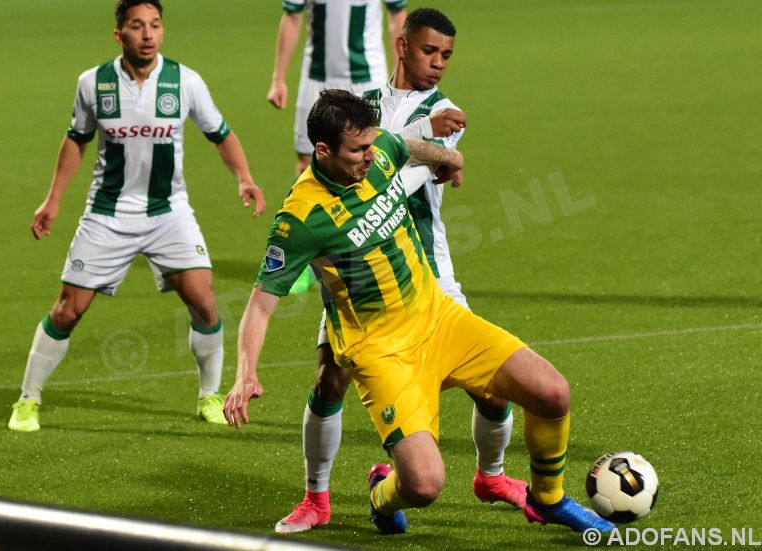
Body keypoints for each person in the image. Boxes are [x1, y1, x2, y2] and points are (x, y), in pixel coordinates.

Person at [224, 89, 615, 536]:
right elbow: (260, 302)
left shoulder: (380, 150)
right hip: (382, 352)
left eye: (371, 146)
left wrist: (450, 159)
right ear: (323, 151)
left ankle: (548, 500)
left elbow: (403, 143)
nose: (370, 157)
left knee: (553, 393)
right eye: (358, 151)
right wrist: (245, 373)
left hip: (439, 319)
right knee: (425, 485)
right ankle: (381, 496)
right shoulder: (299, 219)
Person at [274, 8, 526, 535]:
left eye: (447, 56)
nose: (438, 65)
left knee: (494, 390)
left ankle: (493, 477)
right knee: (328, 382)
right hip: (358, 278)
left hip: (428, 272)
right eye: (430, 52)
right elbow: (375, 162)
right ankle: (315, 498)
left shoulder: (446, 112)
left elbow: (399, 179)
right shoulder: (362, 102)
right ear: (403, 46)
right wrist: (414, 133)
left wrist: (424, 136)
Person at [7, 0, 266, 433]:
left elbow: (221, 134)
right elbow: (76, 140)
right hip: (107, 215)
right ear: (119, 35)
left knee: (204, 300)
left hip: (169, 213)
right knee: (68, 310)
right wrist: (52, 199)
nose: (148, 34)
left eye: (155, 26)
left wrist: (244, 178)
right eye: (137, 26)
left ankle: (209, 396)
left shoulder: (185, 81)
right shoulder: (93, 83)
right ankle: (27, 399)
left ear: (162, 32)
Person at [266, 0, 408, 175]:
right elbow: (292, 17)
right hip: (316, 79)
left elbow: (397, 14)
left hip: (369, 79)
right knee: (308, 163)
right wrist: (278, 79)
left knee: (374, 159)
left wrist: (400, 73)